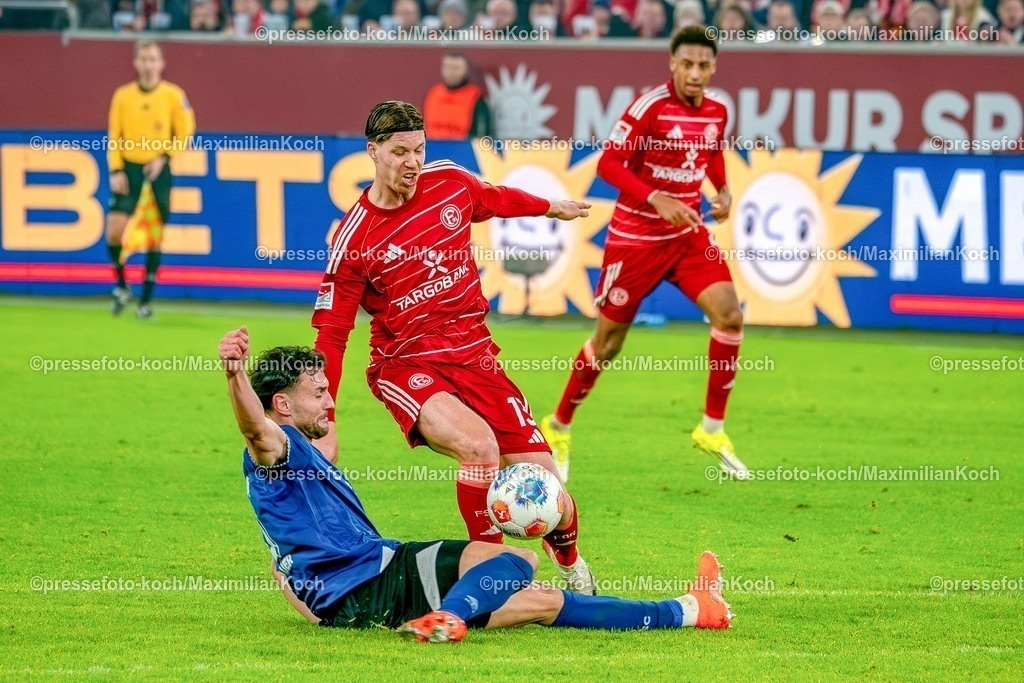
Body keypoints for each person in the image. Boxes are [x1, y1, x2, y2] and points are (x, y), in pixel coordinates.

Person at [218, 328, 733, 642]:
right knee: (517, 560)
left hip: (355, 597)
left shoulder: (303, 451)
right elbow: (253, 427)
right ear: (281, 405)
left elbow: (280, 562)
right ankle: (448, 617)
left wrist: (311, 602)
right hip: (376, 578)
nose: (330, 401)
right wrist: (235, 375)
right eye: (317, 392)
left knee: (543, 601)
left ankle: (691, 611)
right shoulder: (274, 447)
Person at [311, 101, 597, 592]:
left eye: (418, 149)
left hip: (475, 356)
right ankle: (494, 580)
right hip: (407, 364)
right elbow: (333, 336)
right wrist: (326, 421)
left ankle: (572, 566)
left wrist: (551, 206)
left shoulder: (449, 182)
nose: (412, 162)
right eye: (399, 151)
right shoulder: (354, 238)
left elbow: (495, 197)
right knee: (479, 448)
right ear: (372, 152)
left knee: (546, 487)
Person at [540, 26, 748, 483]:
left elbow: (711, 152)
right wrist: (656, 197)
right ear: (672, 64)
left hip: (687, 236)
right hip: (634, 240)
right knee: (608, 346)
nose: (695, 73)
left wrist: (724, 189)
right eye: (687, 64)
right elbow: (608, 163)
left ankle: (712, 428)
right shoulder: (649, 106)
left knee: (730, 316)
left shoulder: (717, 110)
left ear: (714, 67)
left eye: (704, 65)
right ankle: (558, 426)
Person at [106, 40, 195, 319]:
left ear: (161, 63)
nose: (148, 64)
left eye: (153, 59)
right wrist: (116, 169)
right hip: (129, 169)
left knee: (154, 238)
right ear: (135, 62)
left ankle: (145, 302)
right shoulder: (122, 95)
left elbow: (186, 132)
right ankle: (122, 285)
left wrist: (165, 157)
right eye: (143, 59)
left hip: (157, 170)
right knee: (114, 232)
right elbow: (113, 135)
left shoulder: (173, 95)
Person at [423, 53, 492, 140]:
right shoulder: (433, 94)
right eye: (447, 67)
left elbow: (480, 138)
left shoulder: (476, 99)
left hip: (462, 150)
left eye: (456, 68)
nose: (450, 72)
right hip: (431, 149)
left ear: (466, 70)